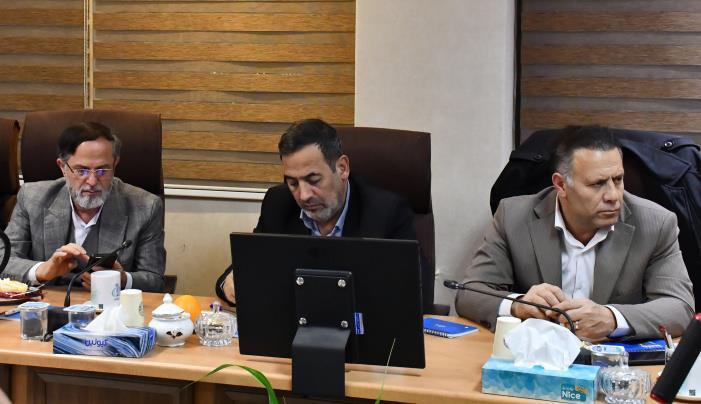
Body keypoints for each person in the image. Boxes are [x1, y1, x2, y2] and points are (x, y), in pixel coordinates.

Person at [455, 125, 695, 341]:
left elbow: (680, 308)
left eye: (618, 180)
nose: (613, 195)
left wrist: (612, 318)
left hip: (611, 364)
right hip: (537, 360)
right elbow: (469, 294)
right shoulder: (513, 216)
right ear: (561, 185)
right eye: (598, 183)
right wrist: (518, 305)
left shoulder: (655, 224)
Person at [216, 118, 418, 305]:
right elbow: (248, 264)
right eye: (293, 183)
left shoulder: (387, 213)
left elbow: (414, 296)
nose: (303, 195)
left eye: (313, 180)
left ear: (342, 168)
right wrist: (230, 283)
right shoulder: (278, 203)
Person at [2, 122, 165, 291]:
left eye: (102, 170)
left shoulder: (146, 207)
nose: (92, 181)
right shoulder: (32, 198)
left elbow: (154, 279)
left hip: (109, 304)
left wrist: (121, 280)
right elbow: (3, 260)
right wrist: (41, 271)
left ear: (115, 164)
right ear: (63, 167)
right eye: (82, 171)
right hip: (46, 302)